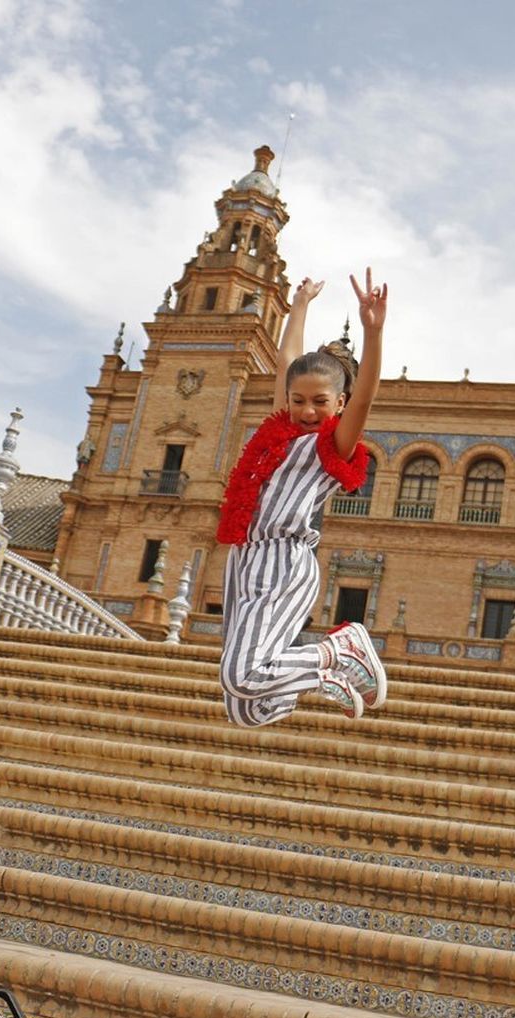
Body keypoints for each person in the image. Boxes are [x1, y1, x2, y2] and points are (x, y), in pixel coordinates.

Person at [216, 269, 390, 725]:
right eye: (298, 400)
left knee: (242, 675)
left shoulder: (332, 443)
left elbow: (366, 396)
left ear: (339, 403)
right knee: (245, 709)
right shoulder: (281, 431)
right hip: (243, 559)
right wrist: (300, 305)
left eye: (320, 401)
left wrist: (373, 332)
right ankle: (324, 676)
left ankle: (339, 650)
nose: (307, 410)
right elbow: (287, 361)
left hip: (282, 560)